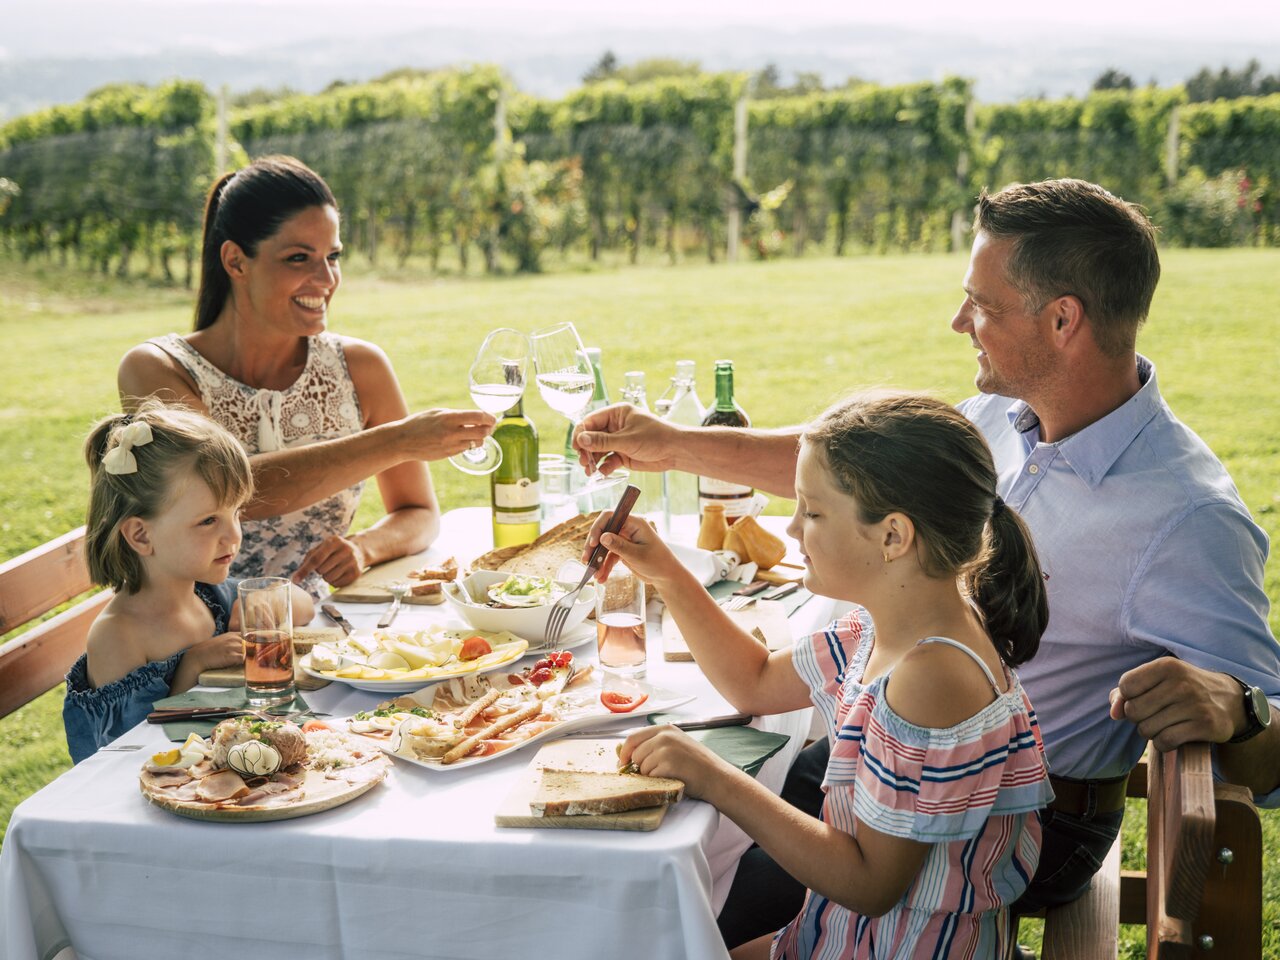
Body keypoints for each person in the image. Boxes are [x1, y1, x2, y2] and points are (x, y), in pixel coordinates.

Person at [574, 178, 1280, 944]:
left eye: (981, 304)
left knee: (686, 874)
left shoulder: (1187, 515)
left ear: (1063, 319)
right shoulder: (997, 418)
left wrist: (1243, 708)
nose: (958, 322)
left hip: (1006, 826)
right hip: (881, 749)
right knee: (689, 843)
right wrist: (671, 444)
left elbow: (1269, 741)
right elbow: (850, 473)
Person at [595, 393, 1054, 959]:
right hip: (844, 935)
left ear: (893, 536)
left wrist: (712, 777)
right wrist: (664, 570)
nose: (790, 528)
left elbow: (869, 885)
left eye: (811, 512)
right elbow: (756, 680)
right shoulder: (884, 626)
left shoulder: (932, 677)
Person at [117, 155, 495, 601]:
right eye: (299, 258)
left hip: (315, 626)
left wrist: (363, 547)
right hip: (197, 631)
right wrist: (397, 441)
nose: (326, 278)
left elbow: (419, 512)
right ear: (236, 262)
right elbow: (226, 492)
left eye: (332, 256)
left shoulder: (361, 367)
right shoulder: (157, 369)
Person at [63, 403, 315, 763]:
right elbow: (134, 754)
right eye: (209, 520)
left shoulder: (205, 596)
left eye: (237, 513)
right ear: (141, 535)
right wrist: (192, 667)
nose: (233, 535)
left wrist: (261, 609)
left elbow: (302, 606)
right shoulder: (119, 635)